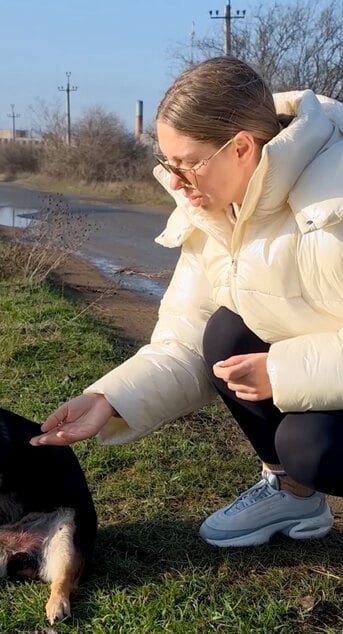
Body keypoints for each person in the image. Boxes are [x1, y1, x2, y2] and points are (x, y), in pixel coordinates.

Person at [31, 56, 343, 548]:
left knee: (315, 448)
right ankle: (293, 493)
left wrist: (282, 370)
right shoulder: (219, 208)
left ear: (241, 147)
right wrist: (109, 398)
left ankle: (302, 469)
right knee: (222, 331)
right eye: (166, 163)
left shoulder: (334, 202)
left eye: (187, 163)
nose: (175, 181)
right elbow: (185, 336)